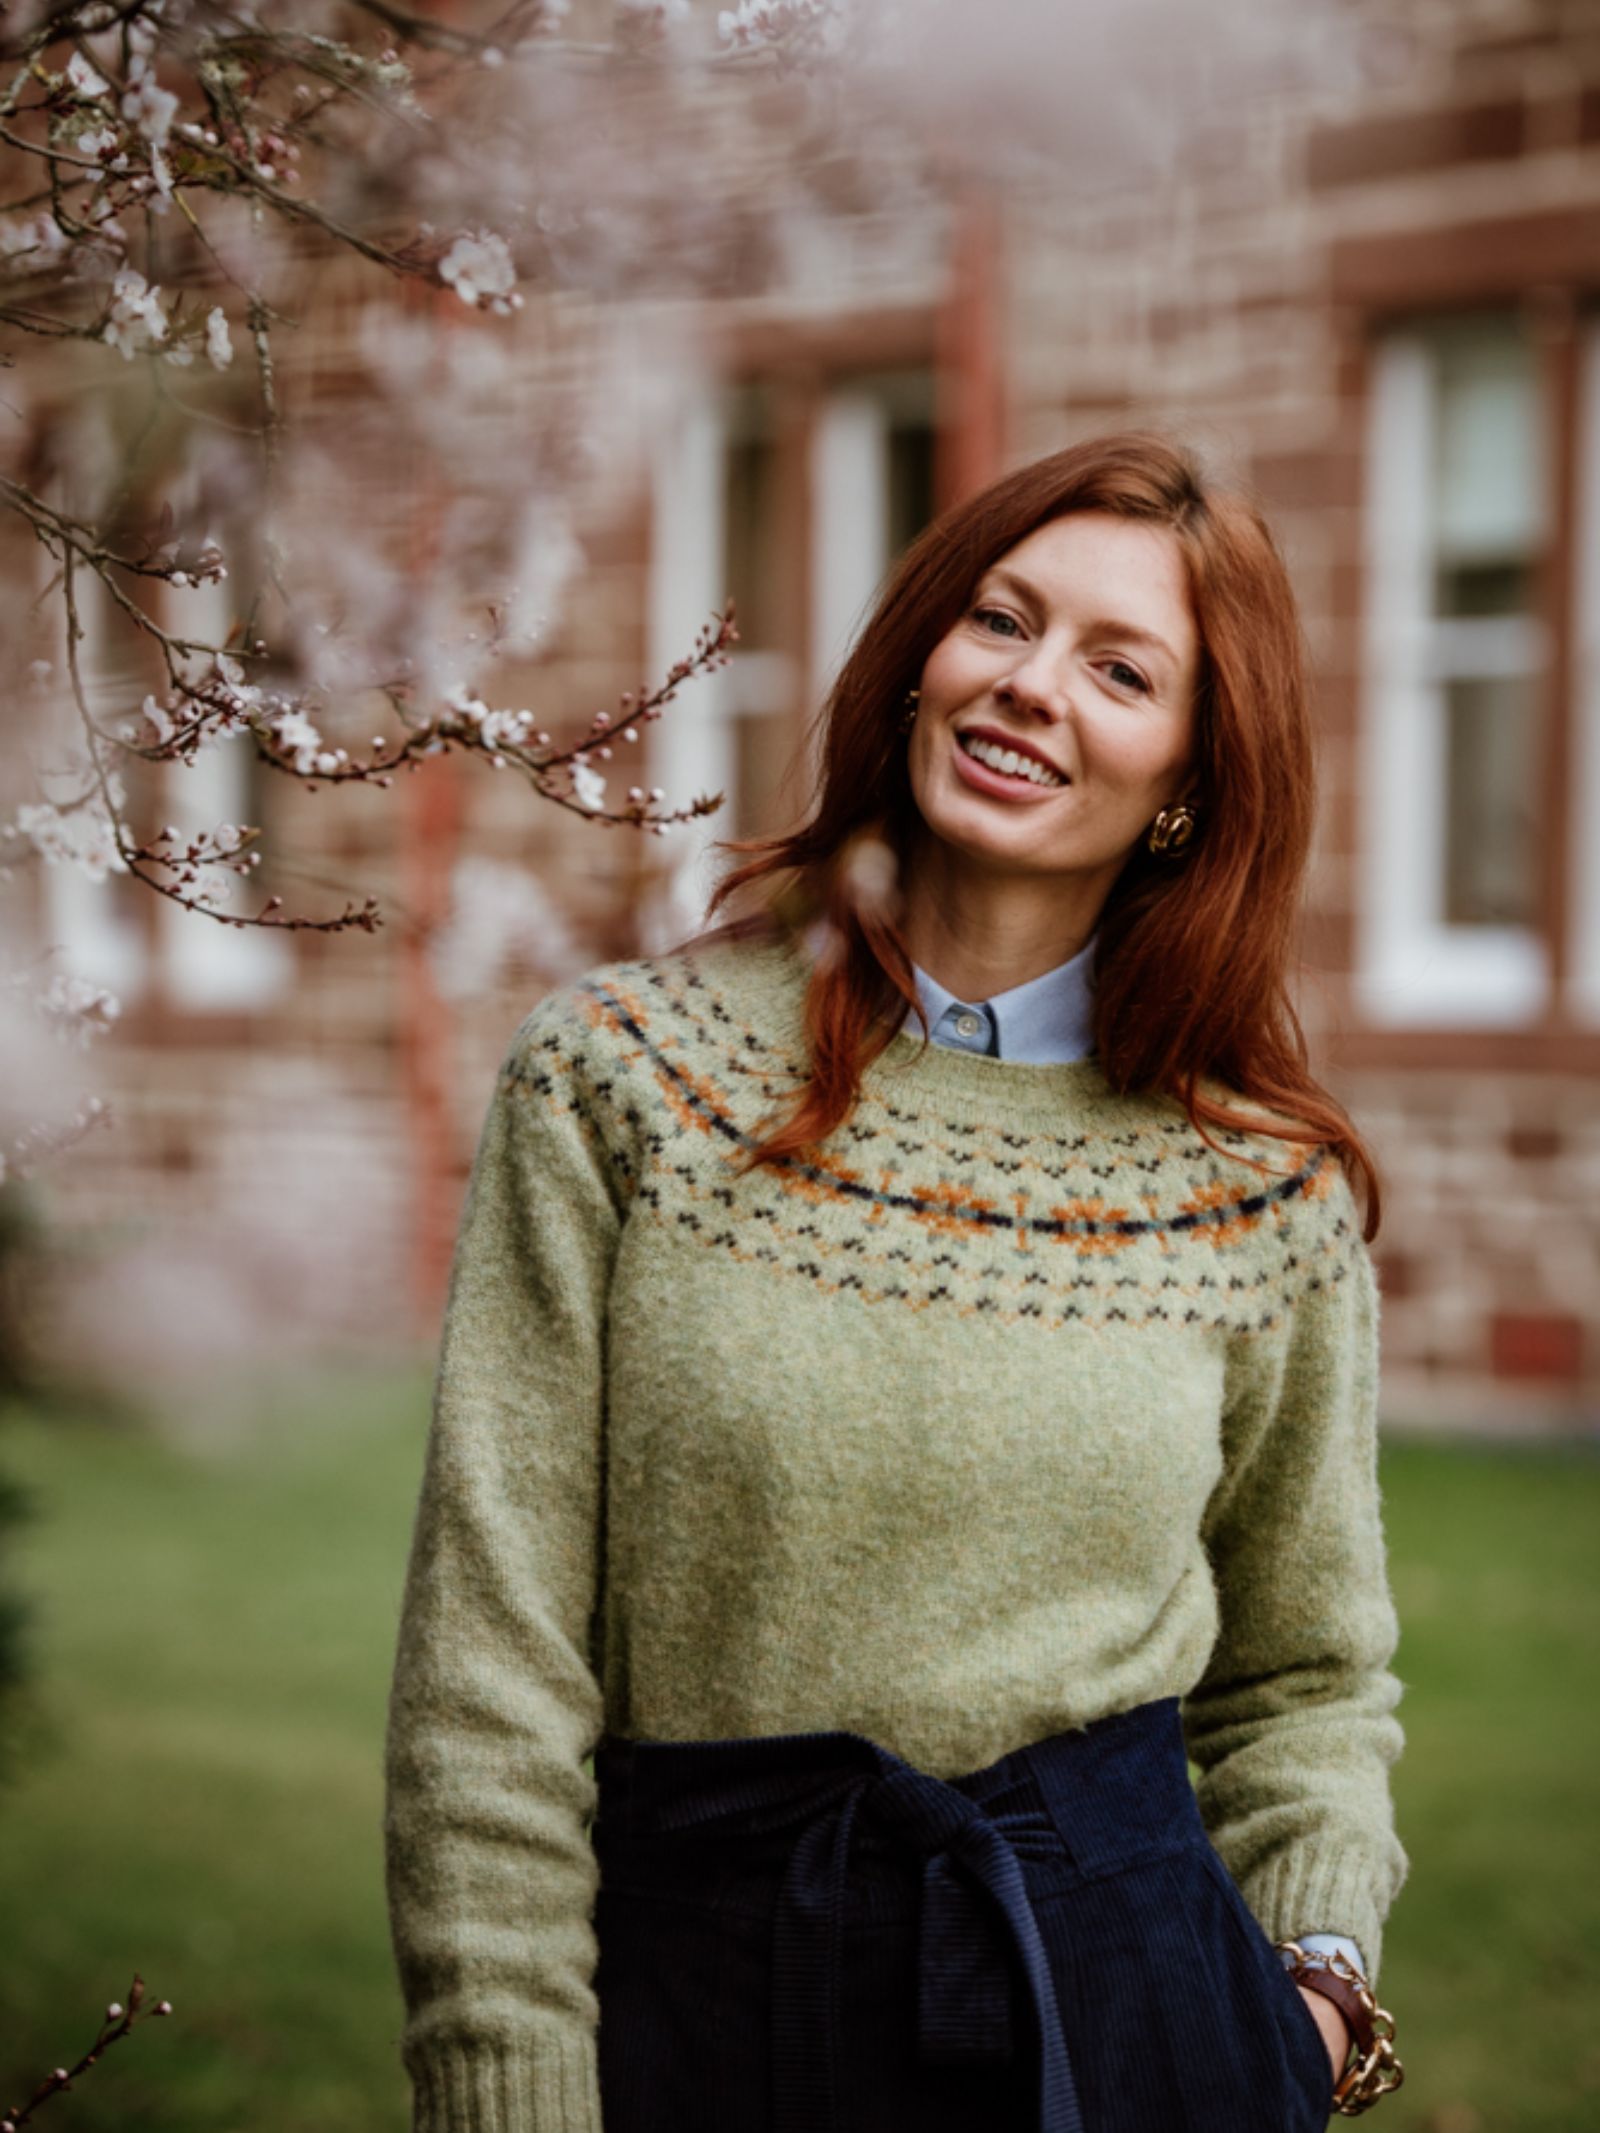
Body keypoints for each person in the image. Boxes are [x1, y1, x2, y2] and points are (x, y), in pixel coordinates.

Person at [382, 431, 1408, 2133]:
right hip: (703, 2001)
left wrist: (1312, 2000)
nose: (1028, 688)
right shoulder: (623, 1079)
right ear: (920, 655)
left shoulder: (1258, 1183)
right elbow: (491, 1664)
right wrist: (505, 2075)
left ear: (1189, 778)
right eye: (1000, 621)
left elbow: (1307, 1670)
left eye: (1118, 666)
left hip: (1132, 2024)